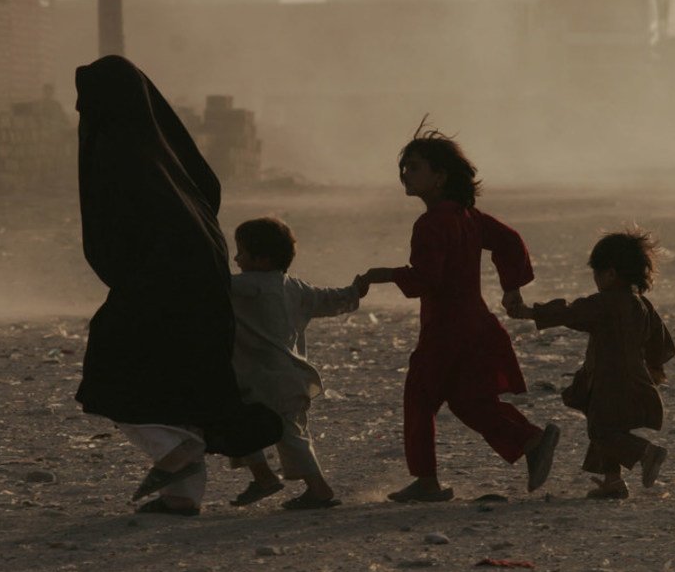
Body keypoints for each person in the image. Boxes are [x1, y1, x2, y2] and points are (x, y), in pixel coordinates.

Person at [74, 55, 279, 517]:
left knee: (110, 369)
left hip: (159, 286)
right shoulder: (167, 156)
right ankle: (181, 496)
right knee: (184, 381)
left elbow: (118, 229)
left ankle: (175, 455)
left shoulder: (119, 152)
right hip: (201, 287)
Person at [359, 120, 559, 502]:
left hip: (446, 329)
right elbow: (510, 241)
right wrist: (511, 289)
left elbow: (427, 279)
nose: (405, 174)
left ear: (440, 176)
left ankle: (427, 481)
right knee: (470, 401)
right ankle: (530, 440)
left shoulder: (432, 223)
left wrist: (381, 274)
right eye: (404, 167)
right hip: (477, 325)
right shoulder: (469, 217)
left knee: (419, 398)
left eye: (414, 167)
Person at [507, 229, 675, 499]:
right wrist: (655, 367)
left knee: (602, 431)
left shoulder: (606, 303)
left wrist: (530, 312)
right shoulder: (642, 305)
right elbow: (659, 341)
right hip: (634, 379)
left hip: (610, 381)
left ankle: (645, 453)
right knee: (612, 428)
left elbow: (572, 312)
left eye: (597, 274)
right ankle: (612, 482)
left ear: (609, 274)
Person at [228, 217, 367, 510]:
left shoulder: (244, 286)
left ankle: (315, 488)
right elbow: (330, 299)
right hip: (291, 378)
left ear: (262, 259)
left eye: (241, 252)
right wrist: (355, 291)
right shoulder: (295, 287)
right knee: (291, 433)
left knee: (248, 427)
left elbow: (205, 288)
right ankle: (272, 479)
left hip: (260, 379)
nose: (236, 258)